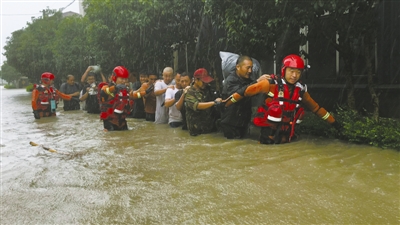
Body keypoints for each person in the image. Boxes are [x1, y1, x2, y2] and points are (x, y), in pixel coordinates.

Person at [225, 54, 341, 144]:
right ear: (284, 70)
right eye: (291, 71)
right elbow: (244, 93)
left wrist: (335, 124)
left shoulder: (301, 90)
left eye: (298, 72)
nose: (294, 75)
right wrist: (226, 104)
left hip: (288, 138)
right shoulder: (269, 84)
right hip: (268, 139)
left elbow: (316, 109)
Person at [99, 66, 150, 131]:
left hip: (122, 121)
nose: (124, 81)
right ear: (115, 78)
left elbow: (133, 96)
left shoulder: (126, 89)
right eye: (122, 79)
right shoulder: (106, 87)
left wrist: (145, 92)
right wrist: (115, 88)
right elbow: (104, 91)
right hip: (110, 122)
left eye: (126, 79)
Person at [220, 55, 255, 139]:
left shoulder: (248, 80)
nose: (250, 71)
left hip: (243, 122)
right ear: (238, 67)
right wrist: (256, 83)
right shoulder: (230, 81)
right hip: (231, 124)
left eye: (251, 68)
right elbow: (239, 93)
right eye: (248, 68)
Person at [185, 68, 222, 136]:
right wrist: (214, 102)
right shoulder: (189, 93)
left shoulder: (208, 89)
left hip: (210, 129)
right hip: (197, 132)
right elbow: (197, 105)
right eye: (203, 82)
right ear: (196, 80)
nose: (205, 84)